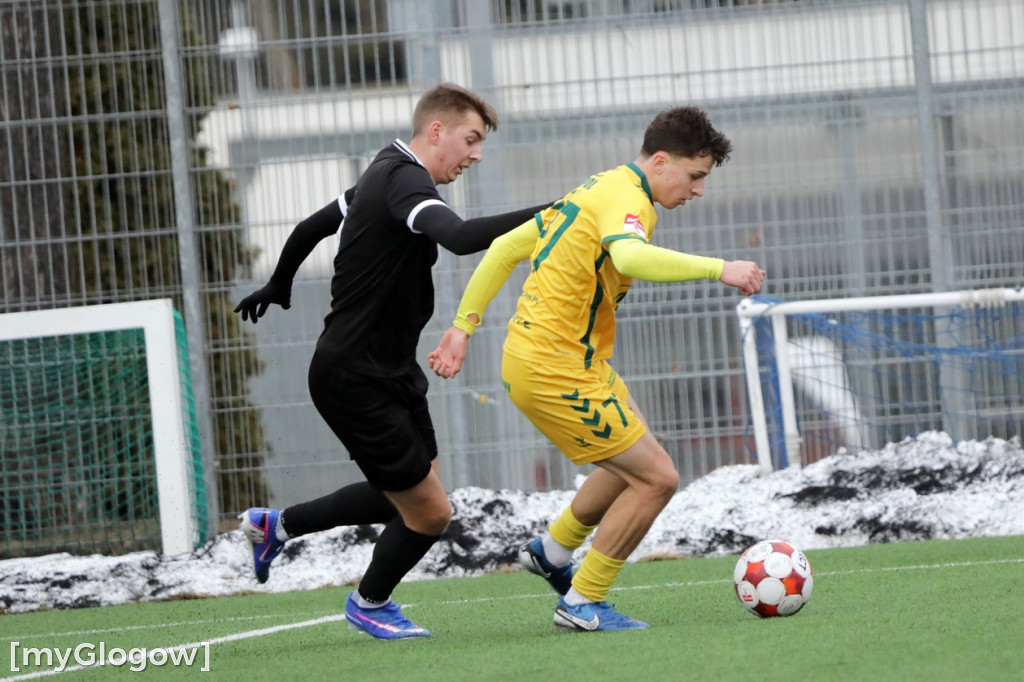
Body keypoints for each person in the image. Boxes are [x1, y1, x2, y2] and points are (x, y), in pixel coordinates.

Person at [427, 106, 765, 632]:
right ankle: (582, 601)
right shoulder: (627, 200)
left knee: (630, 461)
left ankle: (553, 551)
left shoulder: (598, 188)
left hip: (572, 361)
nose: (697, 190)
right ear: (659, 161)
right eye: (694, 176)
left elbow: (504, 248)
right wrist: (721, 268)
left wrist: (463, 326)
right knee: (657, 479)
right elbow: (630, 258)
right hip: (553, 367)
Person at [234, 83, 551, 640]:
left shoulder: (383, 170)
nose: (476, 154)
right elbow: (458, 237)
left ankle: (276, 527)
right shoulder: (405, 180)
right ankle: (369, 603)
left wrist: (279, 285)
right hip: (354, 376)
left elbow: (312, 227)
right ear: (436, 132)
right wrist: (555, 211)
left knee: (412, 491)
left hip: (385, 369)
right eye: (470, 139)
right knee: (430, 513)